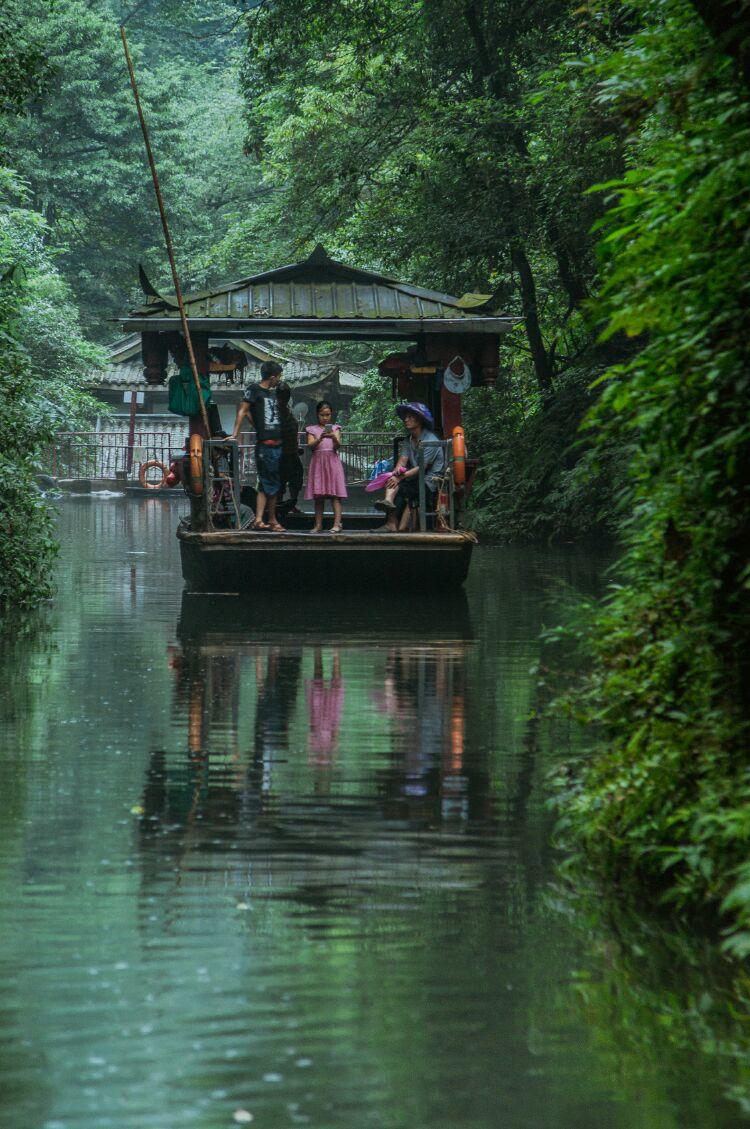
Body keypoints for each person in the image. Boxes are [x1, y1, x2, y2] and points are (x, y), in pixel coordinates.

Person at [374, 402, 445, 532]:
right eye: (405, 417)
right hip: (416, 479)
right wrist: (395, 474)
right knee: (392, 483)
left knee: (401, 487)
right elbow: (403, 460)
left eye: (410, 417)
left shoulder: (430, 440)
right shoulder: (409, 439)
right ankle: (389, 511)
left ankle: (393, 521)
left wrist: (400, 478)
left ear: (420, 419)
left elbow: (422, 467)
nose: (406, 420)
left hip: (430, 481)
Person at [231, 360, 285, 531]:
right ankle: (272, 520)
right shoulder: (254, 389)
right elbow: (243, 410)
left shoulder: (271, 394)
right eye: (278, 377)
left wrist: (257, 426)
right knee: (272, 484)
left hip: (276, 444)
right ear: (272, 377)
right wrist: (234, 434)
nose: (279, 381)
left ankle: (261, 519)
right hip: (265, 446)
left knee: (265, 484)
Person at [305, 400, 347, 533]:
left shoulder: (335, 428)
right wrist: (321, 438)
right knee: (319, 496)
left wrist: (333, 437)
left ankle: (337, 523)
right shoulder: (311, 429)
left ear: (331, 415)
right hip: (318, 462)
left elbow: (338, 446)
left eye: (328, 415)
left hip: (332, 461)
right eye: (322, 415)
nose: (325, 418)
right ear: (317, 415)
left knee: (335, 495)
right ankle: (318, 525)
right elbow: (311, 446)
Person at [276, 382, 304, 517]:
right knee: (280, 482)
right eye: (283, 395)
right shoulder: (274, 411)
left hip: (292, 452)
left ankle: (292, 504)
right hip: (280, 453)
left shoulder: (288, 410)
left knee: (297, 478)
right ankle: (278, 506)